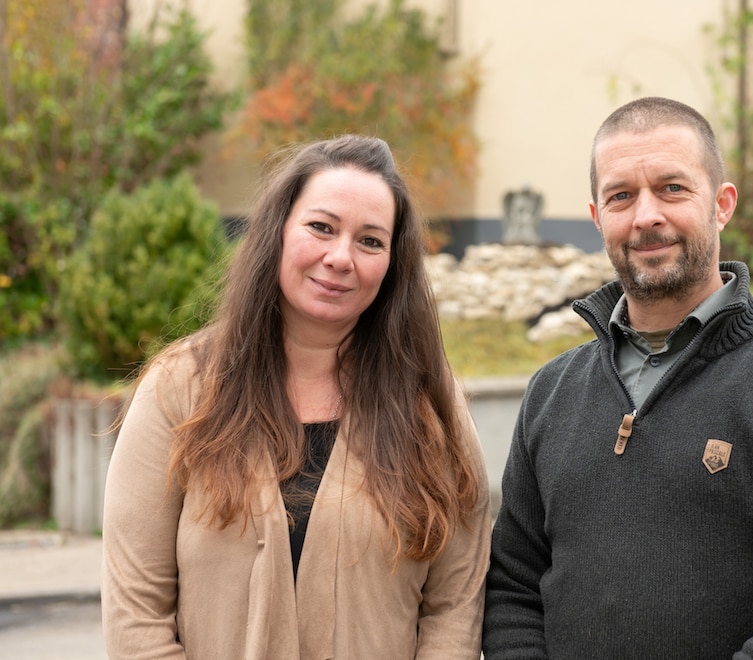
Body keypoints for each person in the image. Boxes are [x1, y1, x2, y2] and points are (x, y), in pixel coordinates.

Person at [483, 97, 753, 659]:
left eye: (672, 188)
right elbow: (513, 587)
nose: (647, 215)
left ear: (722, 205)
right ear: (598, 218)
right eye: (621, 196)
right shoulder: (551, 393)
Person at [101, 135, 491, 659]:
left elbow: (456, 606)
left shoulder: (429, 408)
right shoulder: (180, 390)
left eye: (370, 241)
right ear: (277, 232)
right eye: (321, 227)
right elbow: (136, 616)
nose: (340, 257)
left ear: (393, 264)